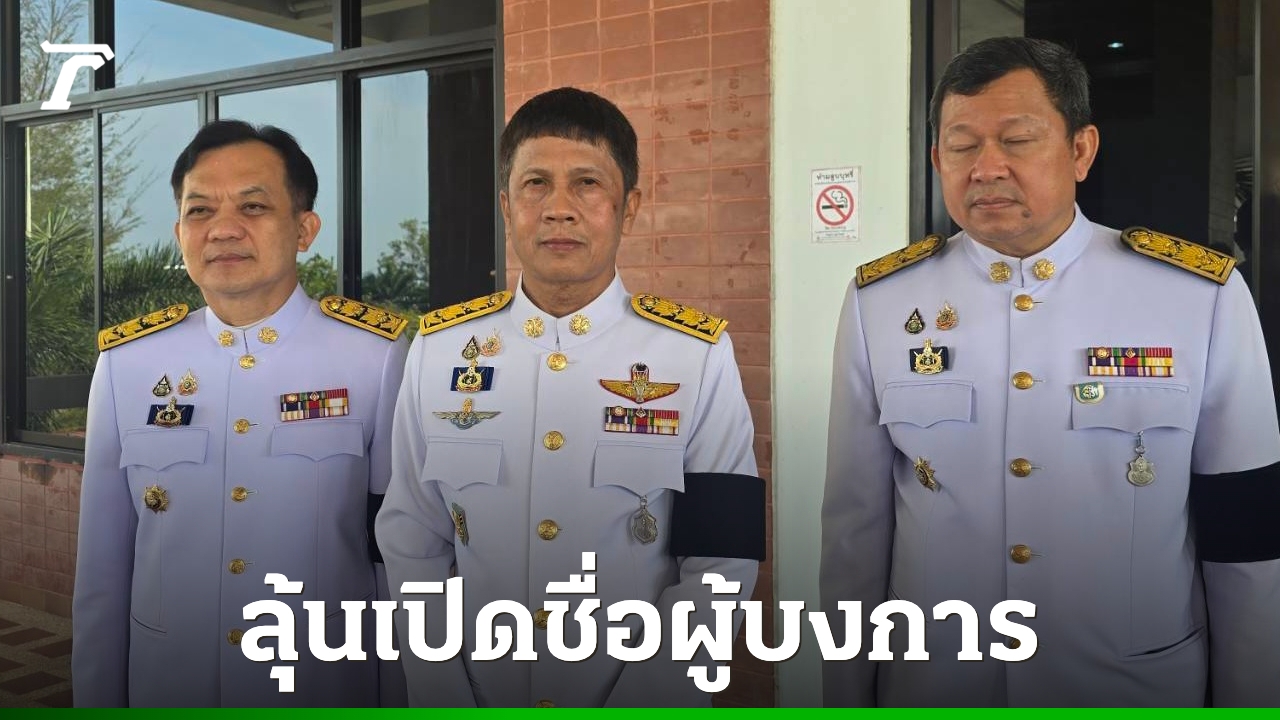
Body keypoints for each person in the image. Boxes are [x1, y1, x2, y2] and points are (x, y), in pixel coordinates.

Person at [821, 36, 1280, 707]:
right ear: (937, 159)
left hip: (1131, 687)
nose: (987, 167)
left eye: (1017, 140)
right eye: (962, 145)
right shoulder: (882, 302)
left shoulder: (1197, 297)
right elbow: (854, 532)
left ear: (1081, 150)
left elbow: (1247, 530)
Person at [376, 87, 765, 708]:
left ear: (628, 207)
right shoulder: (439, 350)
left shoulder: (695, 355)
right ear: (507, 206)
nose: (559, 209)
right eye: (536, 184)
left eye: (587, 183)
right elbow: (412, 538)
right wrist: (442, 691)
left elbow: (722, 558)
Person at [73, 120, 410, 707]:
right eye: (200, 210)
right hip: (169, 685)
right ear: (180, 233)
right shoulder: (128, 364)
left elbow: (396, 558)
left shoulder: (373, 357)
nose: (223, 228)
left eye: (253, 206)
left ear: (304, 229)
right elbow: (102, 567)